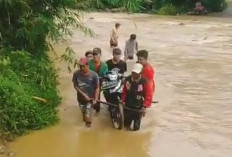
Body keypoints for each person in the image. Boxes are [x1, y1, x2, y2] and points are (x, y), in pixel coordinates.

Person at [121, 63, 152, 131]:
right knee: (126, 125)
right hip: (128, 105)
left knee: (136, 128)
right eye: (133, 72)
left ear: (140, 73)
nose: (134, 74)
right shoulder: (128, 79)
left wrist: (144, 107)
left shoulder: (144, 82)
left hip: (138, 107)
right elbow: (124, 91)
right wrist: (122, 101)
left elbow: (148, 95)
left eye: (136, 73)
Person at [72, 57, 100, 127]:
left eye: (83, 66)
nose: (81, 68)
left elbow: (97, 88)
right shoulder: (76, 74)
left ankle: (88, 131)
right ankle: (86, 125)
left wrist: (96, 98)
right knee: (84, 116)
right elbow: (75, 85)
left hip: (90, 99)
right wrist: (83, 94)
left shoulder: (94, 75)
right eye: (80, 66)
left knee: (87, 116)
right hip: (80, 99)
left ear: (88, 65)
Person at [89, 47, 108, 112]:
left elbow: (106, 76)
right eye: (94, 54)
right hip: (90, 83)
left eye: (97, 54)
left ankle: (97, 108)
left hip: (99, 83)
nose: (95, 56)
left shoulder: (104, 65)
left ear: (100, 55)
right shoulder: (88, 63)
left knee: (97, 100)